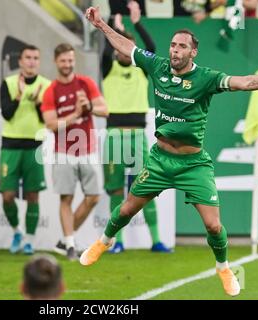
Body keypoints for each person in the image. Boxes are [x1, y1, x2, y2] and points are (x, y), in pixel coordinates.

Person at [82, 6, 258, 297]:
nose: (175, 50)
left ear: (193, 52)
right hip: (160, 159)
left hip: (193, 163)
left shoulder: (205, 78)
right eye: (173, 45)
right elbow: (128, 46)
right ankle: (104, 241)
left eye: (182, 46)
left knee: (213, 225)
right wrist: (100, 25)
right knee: (126, 209)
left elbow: (244, 82)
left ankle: (223, 267)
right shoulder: (157, 66)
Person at [101, 1, 171, 254]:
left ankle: (156, 240)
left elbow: (151, 47)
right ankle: (115, 241)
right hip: (114, 135)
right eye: (119, 46)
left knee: (145, 187)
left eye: (127, 47)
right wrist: (112, 21)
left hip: (138, 135)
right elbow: (103, 48)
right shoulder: (107, 68)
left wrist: (138, 23)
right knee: (116, 190)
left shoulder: (142, 69)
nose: (123, 51)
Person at [41, 43, 108, 261]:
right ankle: (70, 244)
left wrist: (88, 106)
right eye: (63, 61)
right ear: (55, 62)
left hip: (88, 149)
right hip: (63, 152)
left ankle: (65, 239)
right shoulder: (51, 90)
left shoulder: (86, 83)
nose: (67, 64)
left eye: (70, 60)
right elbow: (50, 124)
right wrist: (75, 113)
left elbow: (104, 110)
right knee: (66, 198)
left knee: (94, 197)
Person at [0, 45, 51, 255]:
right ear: (20, 61)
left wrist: (39, 103)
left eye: (35, 58)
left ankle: (29, 240)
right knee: (7, 196)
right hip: (10, 145)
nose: (31, 61)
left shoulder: (46, 86)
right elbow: (6, 114)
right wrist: (19, 96)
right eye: (28, 57)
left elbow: (45, 120)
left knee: (33, 195)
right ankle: (16, 232)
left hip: (35, 145)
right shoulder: (8, 83)